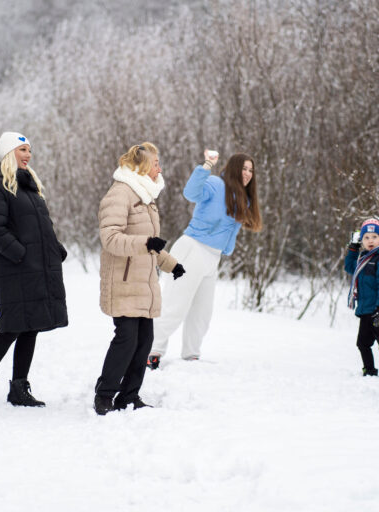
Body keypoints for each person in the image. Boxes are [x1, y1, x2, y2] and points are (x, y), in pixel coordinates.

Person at [0, 132, 68, 407]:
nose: (28, 155)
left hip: (35, 268)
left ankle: (19, 387)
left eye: (29, 150)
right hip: (14, 269)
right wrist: (21, 254)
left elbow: (42, 227)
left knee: (31, 326)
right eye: (22, 149)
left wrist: (55, 248)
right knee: (11, 326)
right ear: (9, 153)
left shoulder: (29, 187)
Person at [148, 150, 262, 368]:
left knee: (202, 312)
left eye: (251, 170)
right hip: (193, 248)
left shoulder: (244, 199)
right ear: (234, 169)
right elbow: (191, 193)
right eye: (244, 168)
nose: (248, 173)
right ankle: (151, 351)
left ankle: (191, 354)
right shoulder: (215, 184)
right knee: (176, 305)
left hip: (212, 257)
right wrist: (207, 165)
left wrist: (226, 249)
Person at [93, 143, 183, 415]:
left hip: (143, 284)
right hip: (123, 282)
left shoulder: (146, 196)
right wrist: (146, 243)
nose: (160, 169)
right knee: (126, 340)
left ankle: (129, 396)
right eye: (155, 163)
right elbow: (110, 238)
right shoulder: (120, 193)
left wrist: (172, 265)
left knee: (144, 342)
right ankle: (104, 395)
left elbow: (150, 245)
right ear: (142, 166)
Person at [344, 218, 379, 380]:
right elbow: (349, 267)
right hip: (366, 309)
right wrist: (353, 249)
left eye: (374, 237)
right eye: (366, 237)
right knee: (363, 343)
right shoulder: (363, 259)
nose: (370, 241)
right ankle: (369, 369)